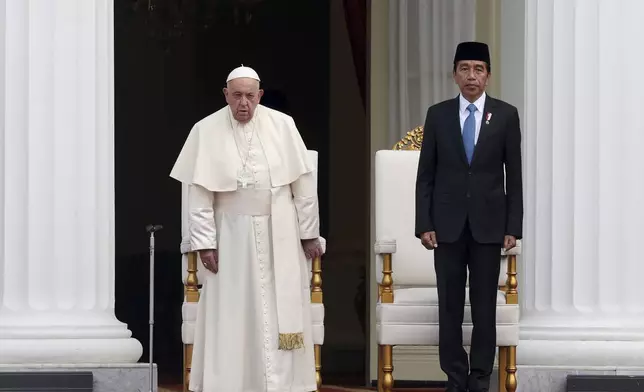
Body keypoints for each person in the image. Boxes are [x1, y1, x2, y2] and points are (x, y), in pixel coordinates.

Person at [170, 65, 323, 392]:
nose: (243, 103)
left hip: (278, 232)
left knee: (276, 313)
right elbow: (199, 196)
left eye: (250, 96)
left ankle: (280, 385)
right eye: (236, 95)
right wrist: (204, 243)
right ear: (225, 94)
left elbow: (304, 186)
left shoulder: (283, 125)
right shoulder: (205, 129)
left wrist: (309, 233)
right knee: (233, 313)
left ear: (260, 95)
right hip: (231, 236)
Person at [414, 42, 523, 392]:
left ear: (488, 75)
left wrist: (513, 226)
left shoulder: (505, 115)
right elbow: (426, 175)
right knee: (449, 305)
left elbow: (514, 176)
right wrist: (424, 223)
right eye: (465, 68)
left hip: (489, 226)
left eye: (478, 69)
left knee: (484, 307)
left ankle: (479, 378)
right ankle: (455, 377)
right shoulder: (438, 114)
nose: (471, 76)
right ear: (454, 74)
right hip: (446, 227)